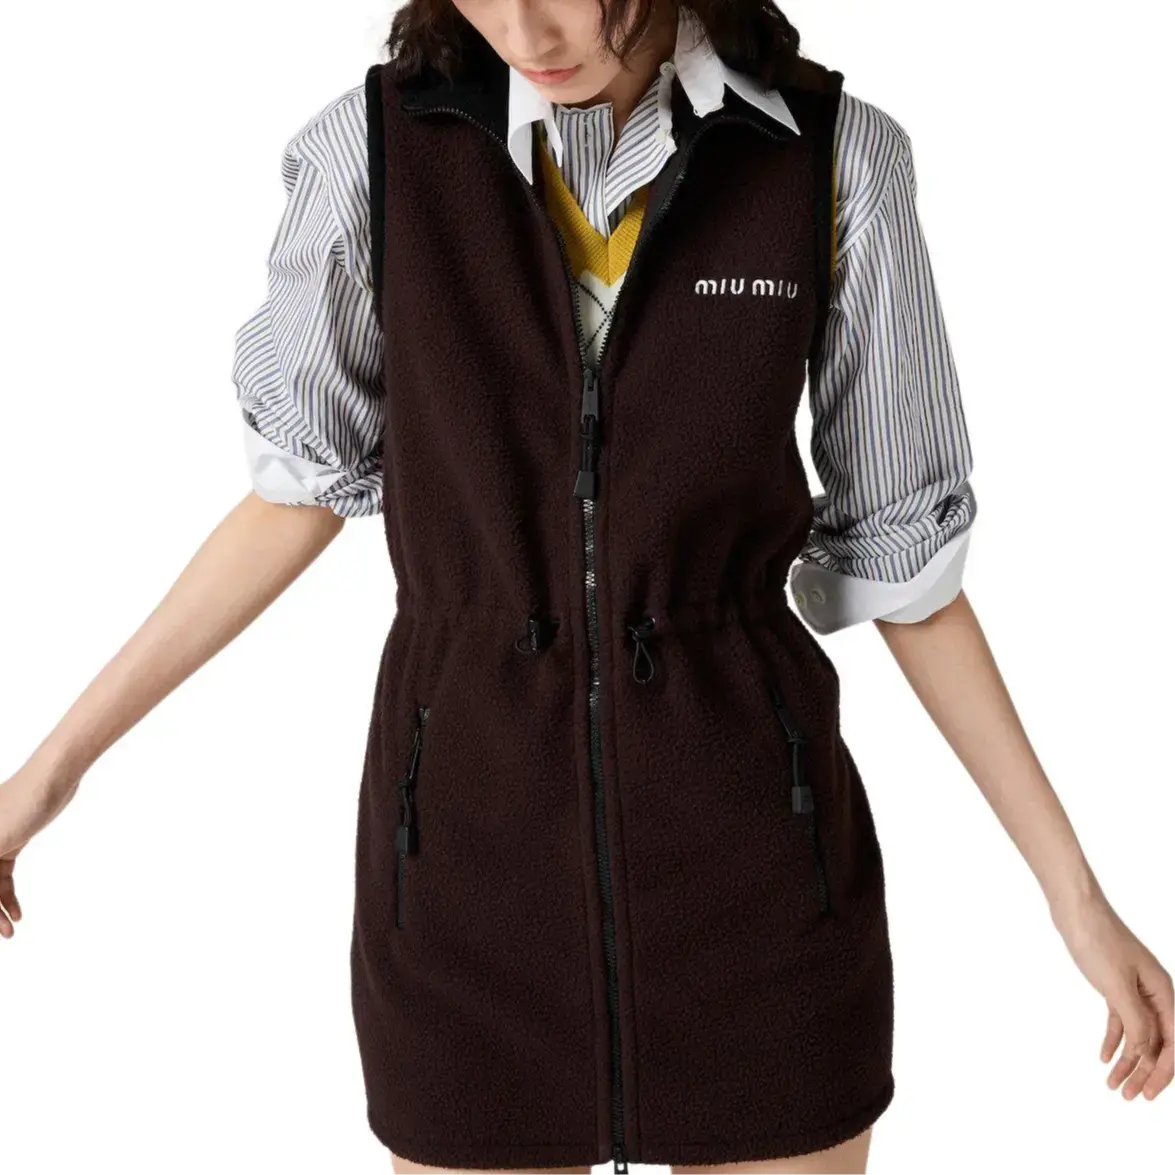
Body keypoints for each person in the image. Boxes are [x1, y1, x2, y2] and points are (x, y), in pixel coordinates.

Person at [2, 2, 1172, 1174]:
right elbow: (292, 494)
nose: (521, 30)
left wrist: (1072, 897)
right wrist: (42, 780)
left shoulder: (827, 156)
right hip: (463, 882)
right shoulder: (372, 156)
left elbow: (905, 562)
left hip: (761, 887)